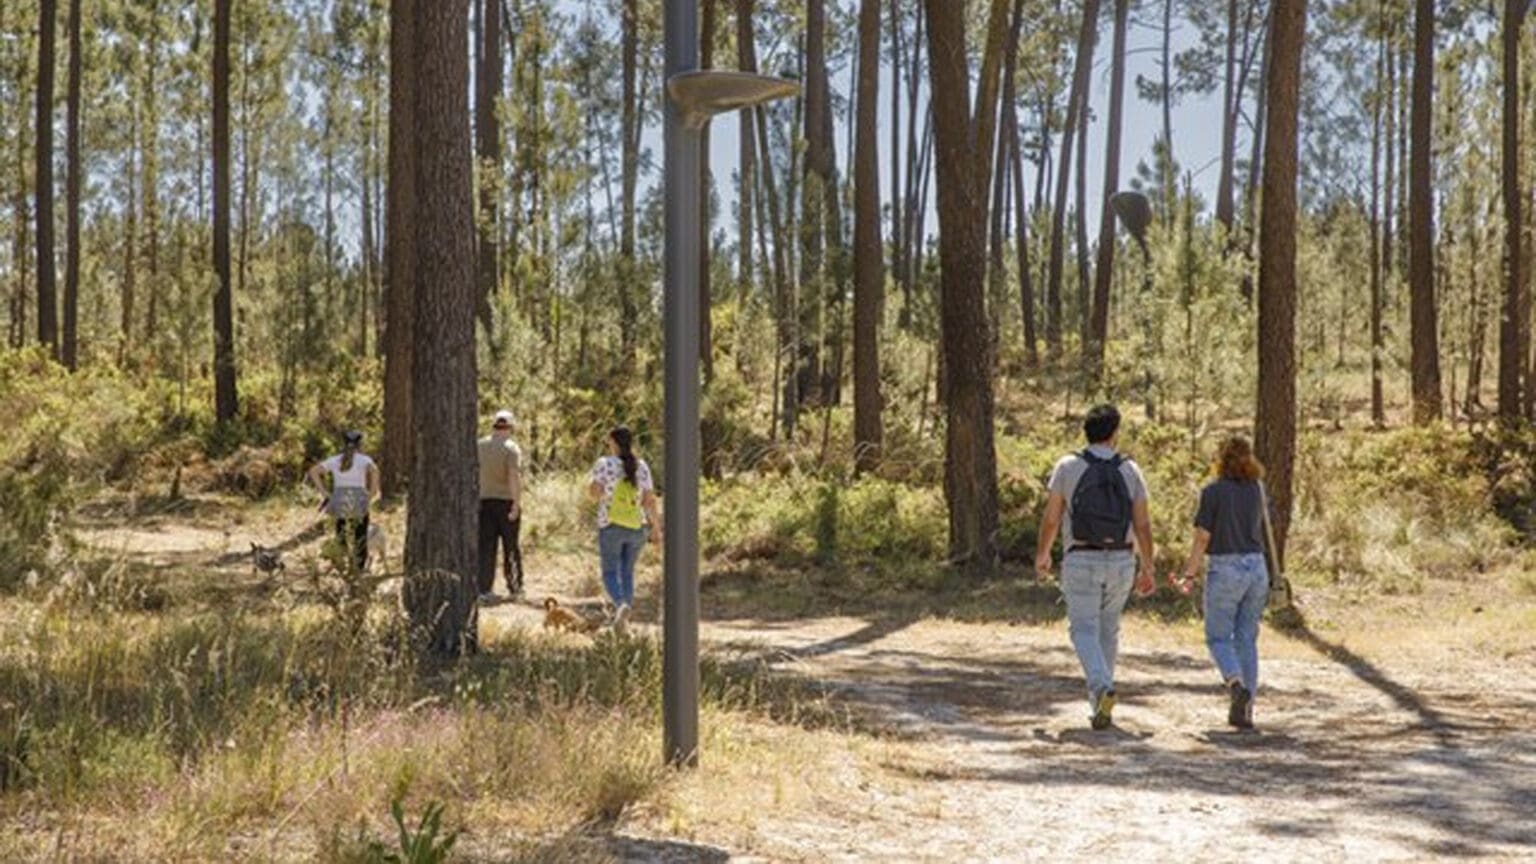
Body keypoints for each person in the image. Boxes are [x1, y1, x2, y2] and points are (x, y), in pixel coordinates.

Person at [1034, 404, 1157, 730]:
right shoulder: (1130, 470)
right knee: (1108, 630)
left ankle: (1102, 689)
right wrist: (1148, 567)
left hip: (1081, 557)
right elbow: (1142, 524)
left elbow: (1051, 518)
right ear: (1114, 433)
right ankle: (1100, 705)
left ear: (1086, 432)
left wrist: (1043, 554)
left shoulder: (1068, 465)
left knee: (1083, 630)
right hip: (1121, 559)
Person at [1174, 436, 1271, 730]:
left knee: (1217, 637)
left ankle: (1235, 682)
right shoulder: (1257, 489)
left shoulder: (1213, 492)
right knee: (1246, 639)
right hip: (1257, 567)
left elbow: (1203, 537)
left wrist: (1189, 574)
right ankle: (1247, 710)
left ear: (1220, 459)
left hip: (1226, 567)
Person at [587, 425, 662, 634]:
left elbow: (594, 492)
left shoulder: (604, 463)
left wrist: (595, 489)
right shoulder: (642, 466)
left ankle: (621, 606)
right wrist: (656, 529)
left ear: (613, 442)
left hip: (610, 525)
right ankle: (624, 624)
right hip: (637, 527)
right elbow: (649, 499)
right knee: (627, 573)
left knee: (610, 572)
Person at [308, 430, 379, 574]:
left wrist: (324, 492)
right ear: (360, 444)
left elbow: (313, 471)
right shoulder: (364, 460)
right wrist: (372, 493)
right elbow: (375, 472)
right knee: (360, 535)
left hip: (339, 498)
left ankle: (341, 565)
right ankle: (359, 569)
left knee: (341, 533)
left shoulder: (335, 460)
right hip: (358, 498)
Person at [477, 409, 525, 603]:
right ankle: (515, 587)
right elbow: (514, 476)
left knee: (486, 547)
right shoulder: (511, 448)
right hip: (505, 501)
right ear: (511, 427)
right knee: (511, 546)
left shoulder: (479, 445)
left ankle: (483, 589)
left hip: (483, 501)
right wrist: (516, 503)